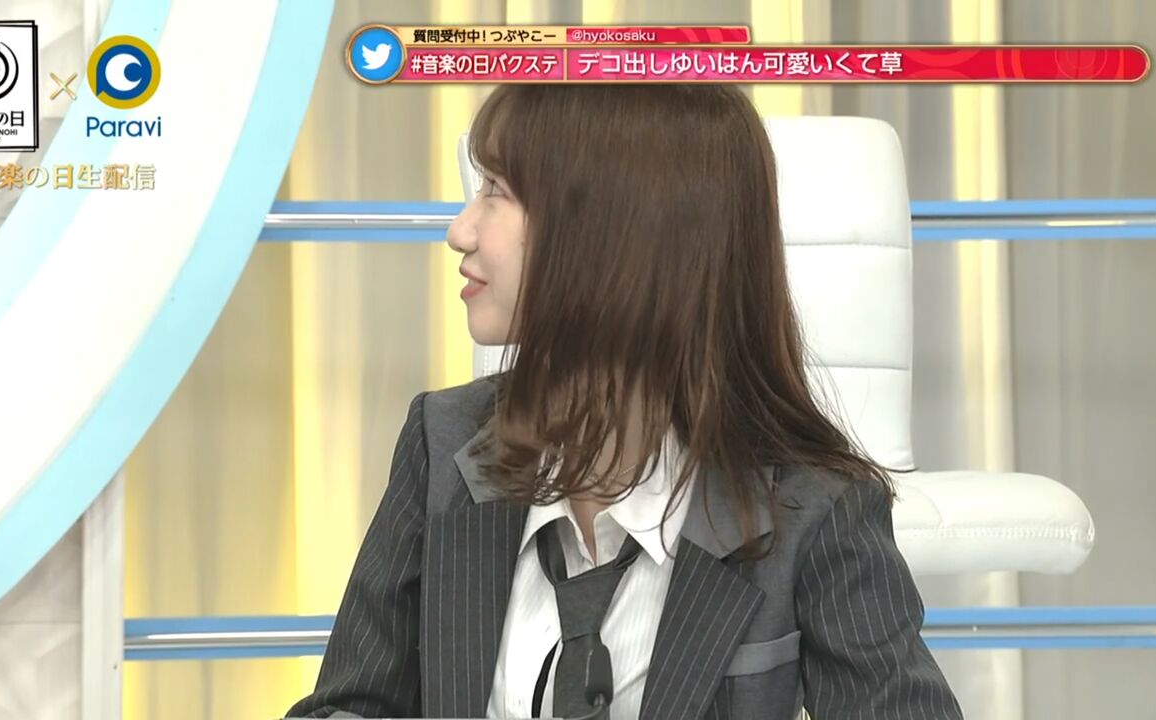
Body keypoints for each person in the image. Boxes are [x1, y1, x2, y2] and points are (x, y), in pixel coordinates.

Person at [285, 84, 963, 720]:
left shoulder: (812, 507)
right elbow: (353, 704)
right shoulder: (443, 442)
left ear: (613, 230)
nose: (460, 231)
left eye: (497, 192)